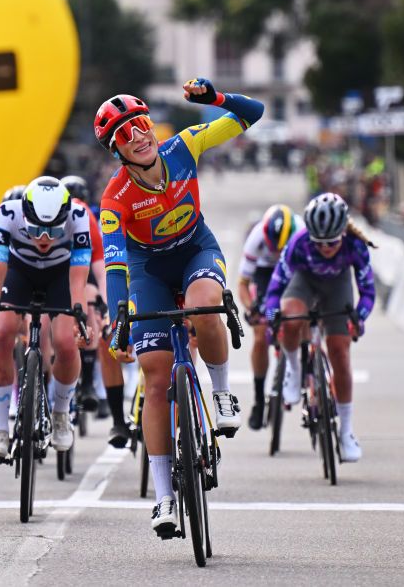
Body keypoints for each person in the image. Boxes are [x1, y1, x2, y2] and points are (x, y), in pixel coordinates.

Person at [98, 77, 263, 536]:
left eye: (143, 124)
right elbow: (116, 266)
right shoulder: (114, 198)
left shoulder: (183, 147)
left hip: (196, 251)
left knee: (205, 307)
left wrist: (216, 99)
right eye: (125, 135)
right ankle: (163, 498)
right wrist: (118, 322)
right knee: (155, 377)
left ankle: (222, 393)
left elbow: (253, 113)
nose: (139, 136)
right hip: (148, 271)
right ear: (117, 151)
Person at [0, 177, 94, 461]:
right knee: (2, 331)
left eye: (53, 231)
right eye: (36, 229)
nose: (44, 238)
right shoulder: (8, 213)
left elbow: (78, 281)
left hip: (60, 276)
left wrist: (80, 318)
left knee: (66, 341)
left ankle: (61, 414)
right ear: (25, 215)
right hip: (19, 273)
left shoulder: (78, 216)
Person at [263, 193, 375, 464]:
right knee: (291, 319)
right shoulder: (299, 243)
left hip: (338, 286)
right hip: (305, 281)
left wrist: (359, 316)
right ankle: (294, 369)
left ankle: (346, 432)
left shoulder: (355, 245)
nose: (325, 248)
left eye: (332, 242)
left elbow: (368, 292)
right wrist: (272, 315)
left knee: (340, 353)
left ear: (343, 233)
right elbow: (275, 289)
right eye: (319, 243)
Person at [61, 174, 132, 446]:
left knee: (94, 309)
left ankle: (90, 383)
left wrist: (105, 307)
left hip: (89, 268)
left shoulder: (88, 219)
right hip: (53, 272)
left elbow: (101, 271)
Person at [237, 203, 303, 430]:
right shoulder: (256, 237)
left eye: (279, 249)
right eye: (273, 248)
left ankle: (307, 368)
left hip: (294, 270)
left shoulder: (301, 233)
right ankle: (258, 400)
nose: (276, 252)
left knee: (302, 313)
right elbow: (243, 285)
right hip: (264, 273)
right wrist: (252, 309)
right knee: (259, 335)